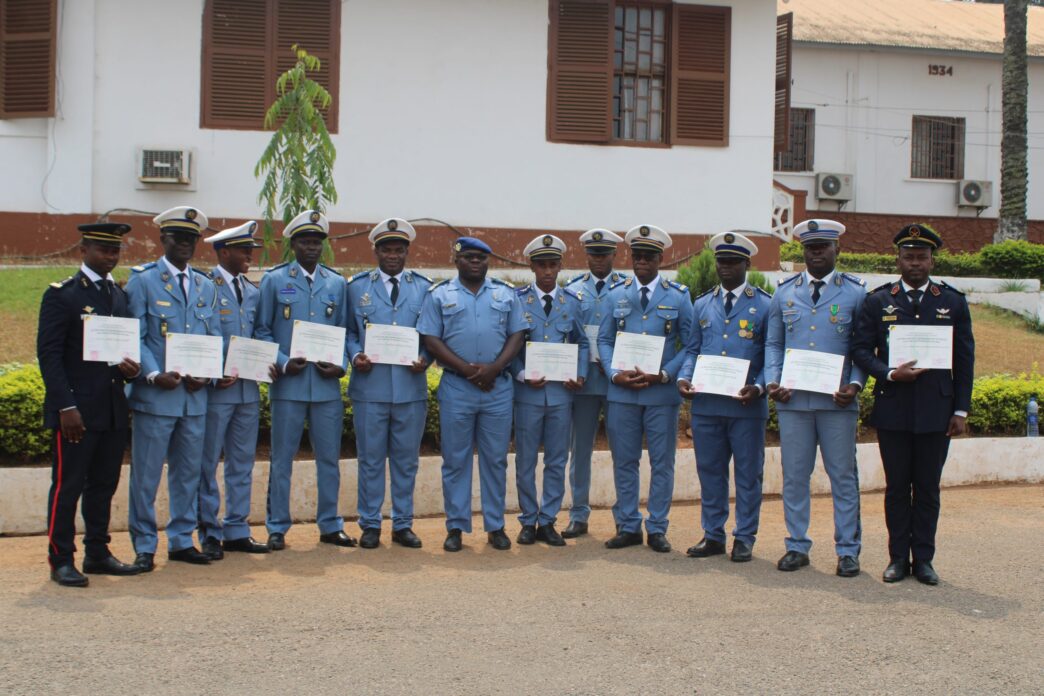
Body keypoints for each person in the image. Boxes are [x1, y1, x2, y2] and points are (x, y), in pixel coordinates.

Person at [851, 224, 974, 585]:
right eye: (909, 257)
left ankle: (923, 560)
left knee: (928, 489)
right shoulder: (879, 301)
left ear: (932, 259)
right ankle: (895, 558)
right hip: (895, 409)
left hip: (938, 412)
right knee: (896, 488)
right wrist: (888, 373)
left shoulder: (951, 300)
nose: (915, 263)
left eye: (922, 257)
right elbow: (860, 349)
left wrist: (961, 410)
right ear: (898, 259)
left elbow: (965, 359)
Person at [37, 222, 142, 586]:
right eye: (102, 250)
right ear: (83, 250)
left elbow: (122, 353)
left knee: (103, 484)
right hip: (77, 412)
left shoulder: (119, 295)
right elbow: (49, 357)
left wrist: (132, 369)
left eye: (115, 251)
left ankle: (97, 552)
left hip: (112, 408)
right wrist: (65, 407)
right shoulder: (63, 295)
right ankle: (60, 558)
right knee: (67, 486)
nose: (110, 257)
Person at [764, 219, 867, 577]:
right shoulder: (785, 292)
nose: (817, 252)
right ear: (803, 251)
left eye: (823, 246)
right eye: (810, 247)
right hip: (793, 402)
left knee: (842, 476)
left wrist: (854, 384)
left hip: (837, 402)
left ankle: (848, 550)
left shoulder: (855, 293)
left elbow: (863, 348)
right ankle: (796, 545)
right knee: (794, 476)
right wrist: (772, 381)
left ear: (837, 249)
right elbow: (774, 343)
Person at [126, 206, 221, 570]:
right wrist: (152, 375)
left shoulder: (203, 285)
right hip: (156, 395)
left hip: (194, 398)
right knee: (146, 476)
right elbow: (138, 337)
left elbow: (212, 337)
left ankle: (181, 539)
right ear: (162, 239)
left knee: (189, 473)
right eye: (177, 237)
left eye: (190, 238)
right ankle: (145, 544)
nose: (184, 244)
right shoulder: (143, 281)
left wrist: (208, 374)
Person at [417, 237, 527, 552]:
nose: (475, 262)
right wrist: (468, 370)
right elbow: (431, 338)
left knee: (495, 460)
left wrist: (494, 368)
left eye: (481, 257)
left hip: (497, 388)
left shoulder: (505, 293)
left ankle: (495, 526)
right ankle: (455, 527)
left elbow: (517, 334)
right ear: (457, 260)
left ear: (488, 261)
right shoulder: (439, 295)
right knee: (455, 460)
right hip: (457, 387)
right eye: (469, 257)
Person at [254, 210, 355, 551]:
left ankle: (330, 525)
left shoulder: (336, 283)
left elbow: (343, 332)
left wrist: (341, 365)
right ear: (293, 244)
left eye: (317, 243)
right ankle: (277, 526)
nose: (312, 248)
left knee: (329, 459)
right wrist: (282, 362)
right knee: (282, 458)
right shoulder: (273, 280)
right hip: (290, 386)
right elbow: (262, 329)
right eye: (305, 242)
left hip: (325, 386)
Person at [597, 224, 692, 553]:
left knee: (662, 463)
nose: (642, 261)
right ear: (631, 257)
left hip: (660, 394)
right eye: (637, 255)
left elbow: (690, 344)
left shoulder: (678, 296)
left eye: (649, 256)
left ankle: (657, 527)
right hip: (622, 393)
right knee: (624, 460)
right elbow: (605, 339)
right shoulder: (616, 294)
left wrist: (666, 374)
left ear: (660, 258)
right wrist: (613, 374)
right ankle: (627, 525)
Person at [677, 232, 771, 563]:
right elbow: (692, 350)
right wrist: (684, 376)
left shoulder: (765, 305)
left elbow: (770, 356)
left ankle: (744, 536)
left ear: (747, 263)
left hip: (746, 405)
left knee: (748, 474)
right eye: (721, 261)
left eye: (733, 262)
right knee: (710, 472)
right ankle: (713, 534)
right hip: (707, 406)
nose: (726, 267)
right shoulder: (702, 303)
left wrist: (759, 387)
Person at [346, 218, 431, 549]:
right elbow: (349, 333)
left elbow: (431, 334)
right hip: (371, 388)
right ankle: (369, 523)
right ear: (376, 251)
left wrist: (426, 358)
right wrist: (355, 356)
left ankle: (403, 523)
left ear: (407, 251)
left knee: (406, 460)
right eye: (386, 249)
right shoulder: (356, 287)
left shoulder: (424, 287)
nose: (392, 255)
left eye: (399, 249)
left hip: (410, 389)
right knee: (370, 458)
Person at [196, 221, 273, 558]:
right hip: (217, 390)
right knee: (208, 462)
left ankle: (237, 528)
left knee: (241, 462)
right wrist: (213, 371)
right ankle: (209, 531)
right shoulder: (204, 287)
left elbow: (258, 335)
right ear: (224, 252)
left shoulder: (252, 291)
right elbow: (198, 337)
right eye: (244, 251)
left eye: (251, 251)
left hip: (247, 390)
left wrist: (269, 360)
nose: (249, 257)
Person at [512, 234, 588, 546]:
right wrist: (519, 374)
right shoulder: (517, 300)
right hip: (528, 394)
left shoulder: (571, 302)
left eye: (552, 265)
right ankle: (528, 519)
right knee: (526, 460)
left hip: (560, 394)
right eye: (541, 265)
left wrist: (580, 374)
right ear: (531, 266)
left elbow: (581, 343)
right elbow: (511, 345)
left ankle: (548, 520)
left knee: (557, 460)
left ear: (560, 266)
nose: (546, 271)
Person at [562, 228, 627, 539]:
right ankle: (578, 513)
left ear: (615, 255)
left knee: (622, 452)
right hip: (584, 383)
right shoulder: (573, 290)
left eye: (604, 254)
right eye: (594, 254)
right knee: (580, 451)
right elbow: (566, 335)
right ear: (586, 255)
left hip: (617, 383)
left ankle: (624, 515)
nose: (599, 260)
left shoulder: (626, 289)